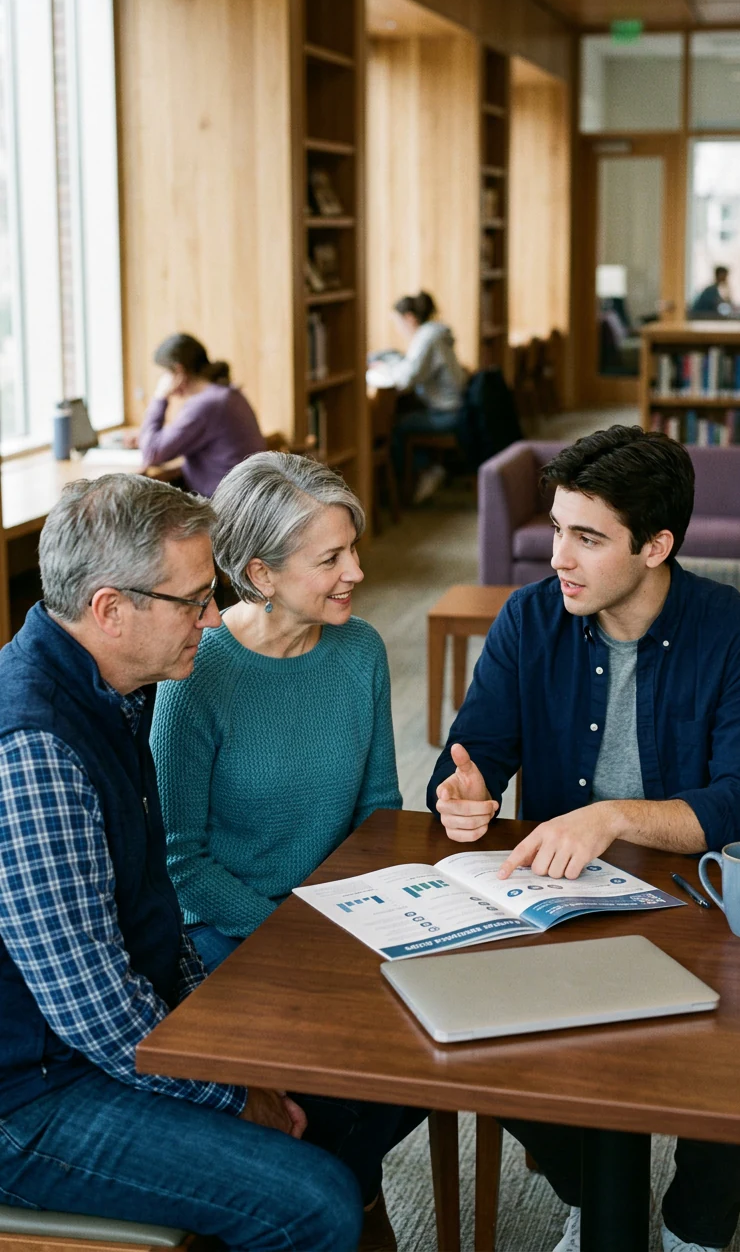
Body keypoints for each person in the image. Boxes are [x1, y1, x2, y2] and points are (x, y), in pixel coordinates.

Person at [0, 473, 362, 1251]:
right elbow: (92, 1006)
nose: (213, 617)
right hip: (28, 1098)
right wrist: (231, 1095)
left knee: (347, 1086)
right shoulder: (35, 747)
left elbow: (154, 917)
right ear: (110, 609)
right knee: (318, 1203)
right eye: (194, 601)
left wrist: (223, 1045)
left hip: (87, 1050)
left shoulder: (115, 692)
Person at [427, 425, 740, 1252]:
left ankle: (693, 1226)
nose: (558, 559)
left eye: (587, 538)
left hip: (702, 907)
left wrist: (615, 815)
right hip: (561, 901)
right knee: (467, 1027)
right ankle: (593, 1194)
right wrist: (460, 796)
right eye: (555, 530)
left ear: (656, 546)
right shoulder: (527, 619)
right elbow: (471, 757)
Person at [151, 451, 421, 1245]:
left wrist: (380, 915)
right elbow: (181, 863)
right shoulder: (195, 674)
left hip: (337, 921)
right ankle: (353, 1209)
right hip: (223, 930)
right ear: (260, 574)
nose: (357, 572)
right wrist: (296, 933)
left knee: (436, 1045)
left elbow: (378, 812)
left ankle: (339, 1199)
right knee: (335, 1079)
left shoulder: (361, 650)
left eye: (352, 550)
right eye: (331, 558)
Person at [136, 332, 265, 496]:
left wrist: (159, 397)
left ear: (179, 371)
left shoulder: (205, 404)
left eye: (165, 374)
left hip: (222, 505)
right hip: (245, 499)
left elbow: (151, 453)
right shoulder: (226, 393)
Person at [367, 291, 467, 503]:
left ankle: (418, 477)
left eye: (398, 323)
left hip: (448, 414)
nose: (399, 329)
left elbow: (406, 379)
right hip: (455, 408)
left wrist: (384, 368)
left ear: (410, 318)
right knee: (404, 414)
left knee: (397, 426)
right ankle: (425, 470)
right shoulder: (435, 333)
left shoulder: (427, 337)